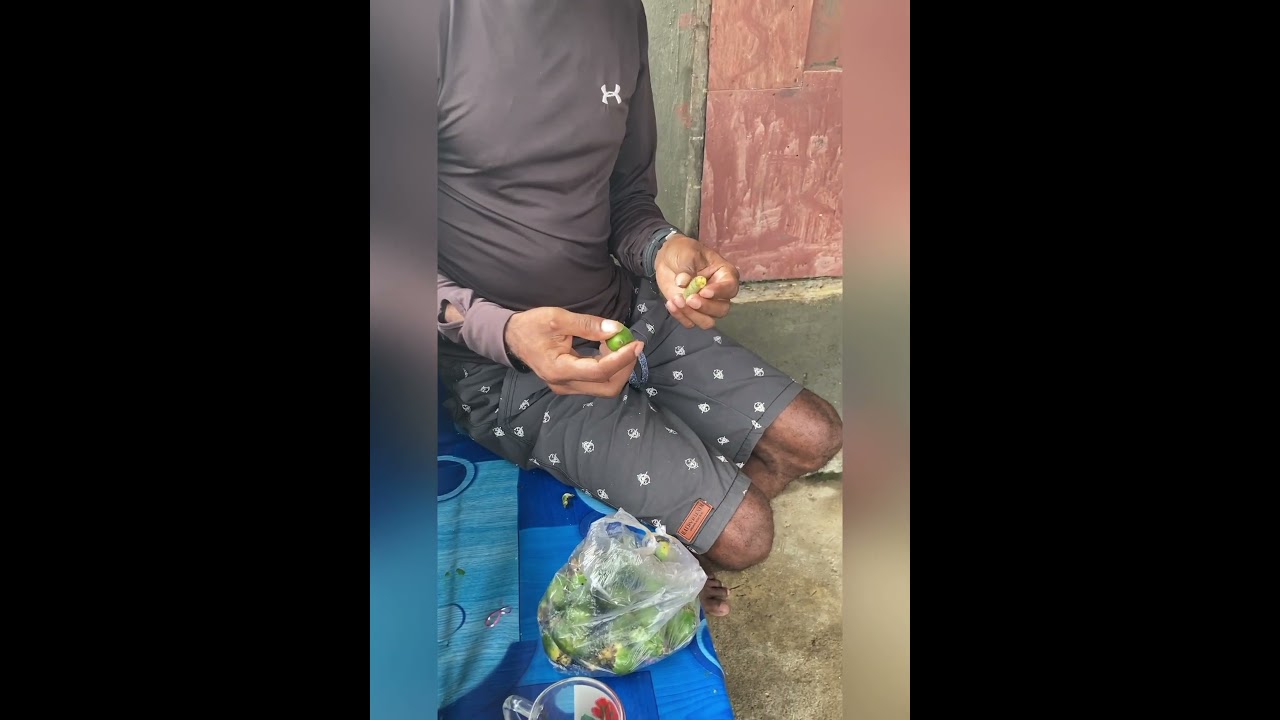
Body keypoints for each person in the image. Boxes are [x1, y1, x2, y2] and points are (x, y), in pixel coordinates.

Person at [435, 0, 842, 617]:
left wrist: (663, 250)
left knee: (815, 436)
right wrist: (508, 332)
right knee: (746, 534)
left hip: (629, 314)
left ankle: (672, 546)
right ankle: (684, 536)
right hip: (504, 369)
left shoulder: (619, 13)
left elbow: (627, 197)